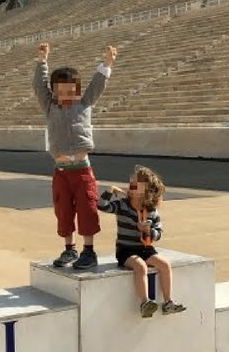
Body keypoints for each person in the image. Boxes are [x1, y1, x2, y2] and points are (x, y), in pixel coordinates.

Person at [34, 41, 117, 270]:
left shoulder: (85, 102)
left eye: (71, 90)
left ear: (78, 90)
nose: (67, 94)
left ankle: (89, 251)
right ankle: (69, 249)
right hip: (61, 172)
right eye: (61, 91)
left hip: (82, 170)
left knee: (87, 209)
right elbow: (39, 86)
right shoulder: (50, 106)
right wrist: (42, 61)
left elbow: (97, 84)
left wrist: (106, 64)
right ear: (54, 92)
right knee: (63, 210)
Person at [98, 165, 186, 318]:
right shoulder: (122, 205)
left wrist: (148, 231)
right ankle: (145, 302)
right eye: (132, 180)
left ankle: (168, 302)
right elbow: (101, 205)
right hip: (125, 250)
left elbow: (159, 234)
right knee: (140, 266)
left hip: (145, 248)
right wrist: (110, 190)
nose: (131, 182)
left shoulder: (151, 211)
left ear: (146, 190)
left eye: (136, 181)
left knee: (165, 265)